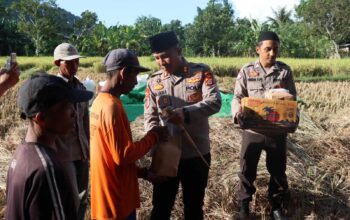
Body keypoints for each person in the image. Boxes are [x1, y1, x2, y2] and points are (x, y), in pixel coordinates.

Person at [144, 31, 222, 220]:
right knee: (161, 206)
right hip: (166, 154)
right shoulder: (154, 81)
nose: (162, 62)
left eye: (166, 56)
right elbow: (150, 116)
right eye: (157, 58)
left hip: (196, 153)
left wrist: (186, 112)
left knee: (194, 207)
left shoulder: (200, 72)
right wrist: (153, 143)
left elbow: (215, 101)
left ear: (178, 51)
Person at [89, 48, 168, 220]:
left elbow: (111, 156)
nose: (135, 82)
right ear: (124, 73)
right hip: (117, 202)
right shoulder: (112, 107)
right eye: (135, 75)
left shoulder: (98, 103)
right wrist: (154, 136)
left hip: (105, 197)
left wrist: (143, 173)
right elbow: (123, 155)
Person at [5, 73, 93, 220]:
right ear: (41, 118)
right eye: (66, 106)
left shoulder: (22, 153)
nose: (75, 112)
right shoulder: (48, 169)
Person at [231, 31, 297, 220]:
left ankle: (275, 206)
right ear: (258, 49)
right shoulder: (247, 70)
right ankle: (244, 206)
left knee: (277, 170)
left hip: (277, 131)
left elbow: (293, 101)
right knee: (247, 169)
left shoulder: (284, 71)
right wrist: (237, 113)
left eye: (275, 49)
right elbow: (237, 96)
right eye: (268, 49)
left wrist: (293, 120)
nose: (272, 53)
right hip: (253, 130)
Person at [52, 43, 90, 220]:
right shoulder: (52, 90)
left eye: (76, 62)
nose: (74, 66)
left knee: (82, 199)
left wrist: (89, 149)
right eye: (69, 63)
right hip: (62, 155)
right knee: (67, 200)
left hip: (82, 153)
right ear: (57, 63)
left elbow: (85, 122)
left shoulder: (81, 88)